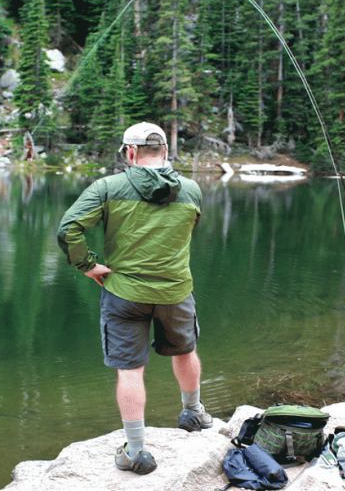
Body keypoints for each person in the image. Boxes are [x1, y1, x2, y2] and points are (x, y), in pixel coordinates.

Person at [57, 122, 212, 476]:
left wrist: (88, 266)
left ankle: (137, 451)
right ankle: (193, 412)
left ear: (130, 152)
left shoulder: (108, 187)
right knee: (186, 350)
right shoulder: (191, 189)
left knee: (130, 369)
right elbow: (190, 229)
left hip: (124, 293)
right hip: (175, 290)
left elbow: (69, 229)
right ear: (165, 151)